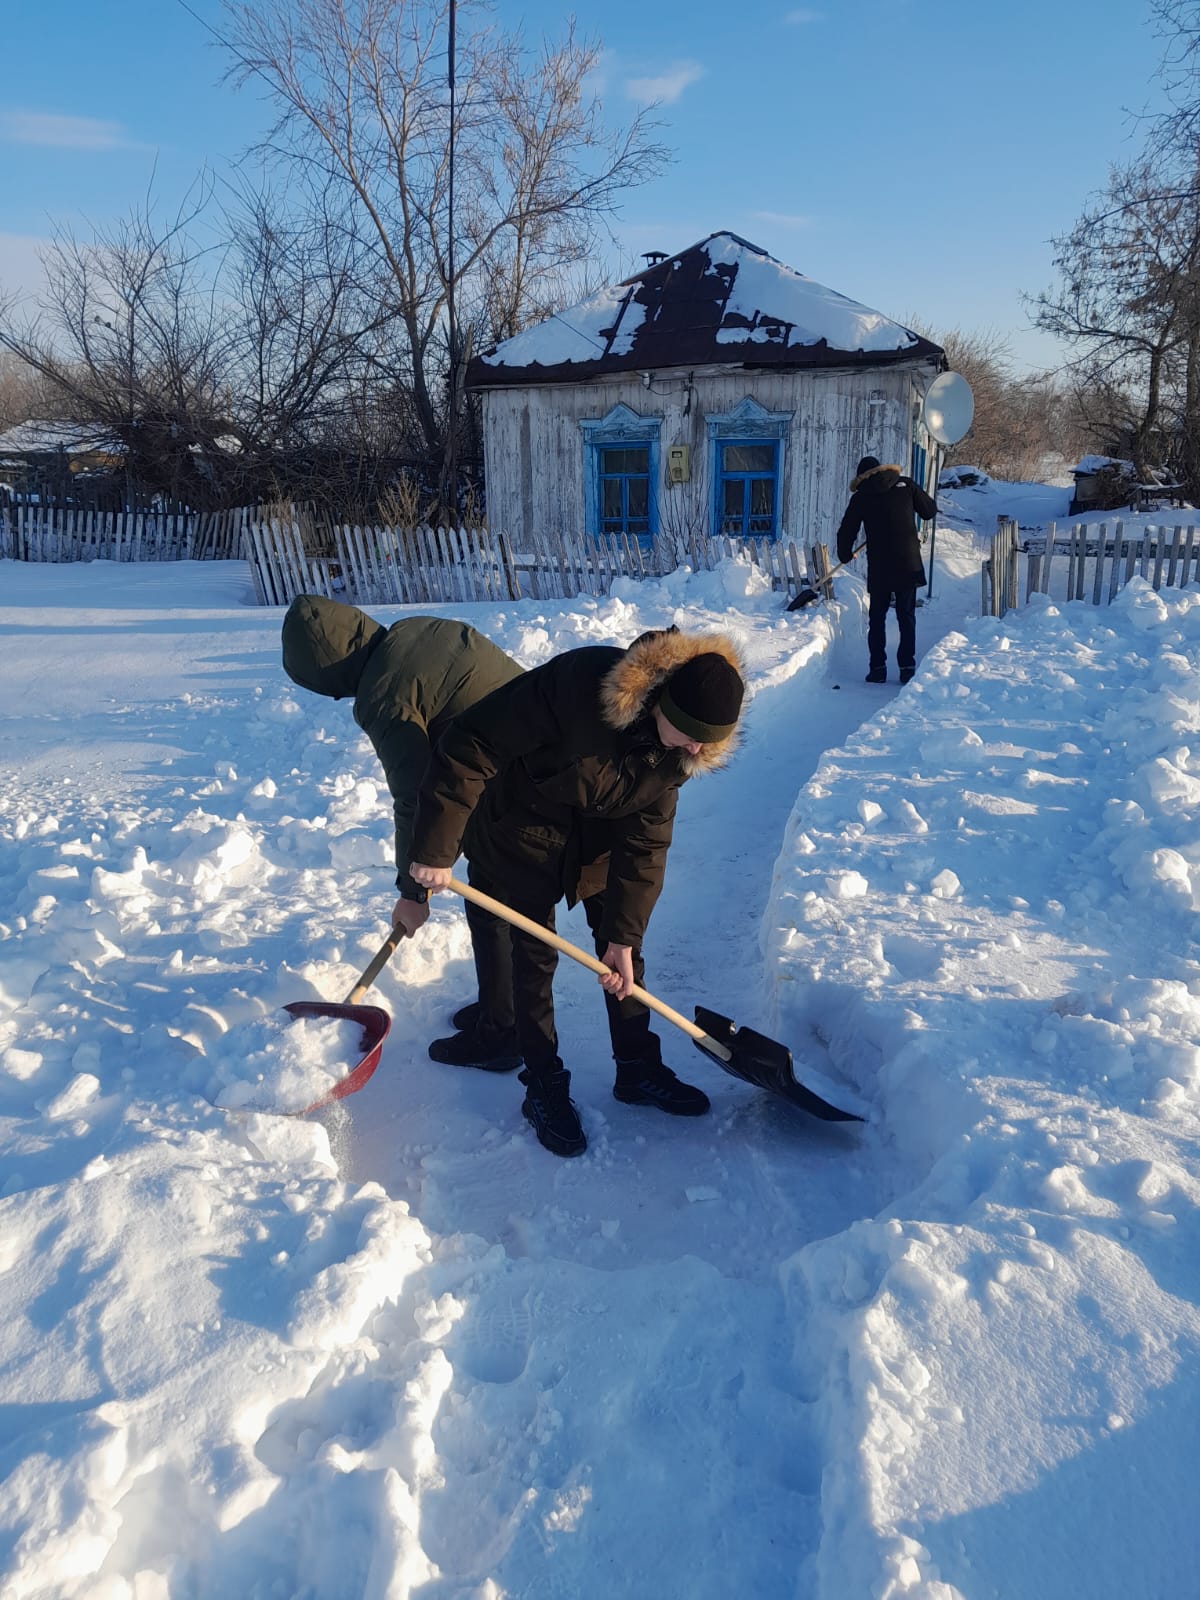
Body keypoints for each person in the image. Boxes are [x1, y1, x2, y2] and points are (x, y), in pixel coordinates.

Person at [408, 626, 746, 1159]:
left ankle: (637, 1068)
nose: (697, 750)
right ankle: (543, 1083)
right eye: (688, 735)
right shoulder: (576, 686)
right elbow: (468, 745)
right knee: (534, 955)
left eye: (707, 743)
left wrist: (621, 935)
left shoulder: (685, 749)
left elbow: (647, 841)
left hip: (600, 840)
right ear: (660, 702)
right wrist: (433, 850)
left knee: (624, 955)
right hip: (520, 828)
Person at [281, 595, 524, 1058]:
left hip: (519, 776)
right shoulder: (413, 630)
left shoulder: (384, 695)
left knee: (494, 902)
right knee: (494, 895)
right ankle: (501, 1006)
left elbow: (415, 795)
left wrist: (413, 892)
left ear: (327, 674)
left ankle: (503, 1034)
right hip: (529, 748)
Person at [836, 455, 937, 685]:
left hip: (881, 565)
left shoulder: (861, 498)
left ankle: (878, 669)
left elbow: (846, 530)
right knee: (906, 616)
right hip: (908, 562)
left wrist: (845, 554)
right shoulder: (906, 485)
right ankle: (907, 668)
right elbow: (929, 511)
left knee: (877, 618)